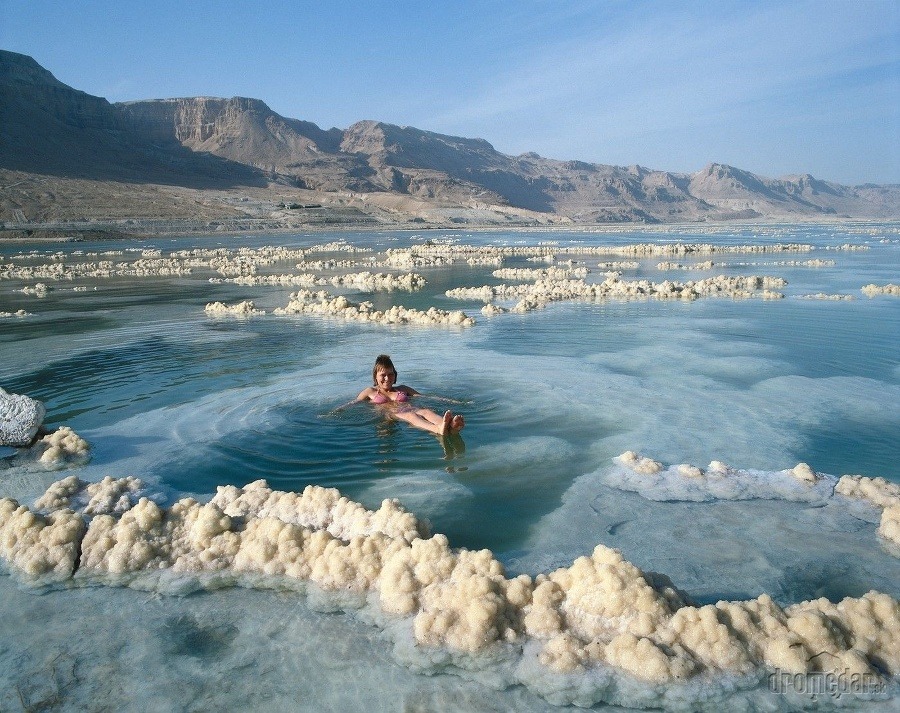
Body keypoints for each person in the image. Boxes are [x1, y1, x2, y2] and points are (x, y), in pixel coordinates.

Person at [356, 355, 464, 436]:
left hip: (410, 408)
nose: (387, 378)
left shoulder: (402, 389)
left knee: (426, 411)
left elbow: (425, 397)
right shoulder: (370, 391)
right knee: (411, 416)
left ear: (395, 375)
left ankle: (449, 427)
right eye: (383, 375)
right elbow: (354, 403)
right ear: (375, 376)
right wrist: (339, 410)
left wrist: (450, 401)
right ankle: (438, 429)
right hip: (391, 414)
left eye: (390, 374)